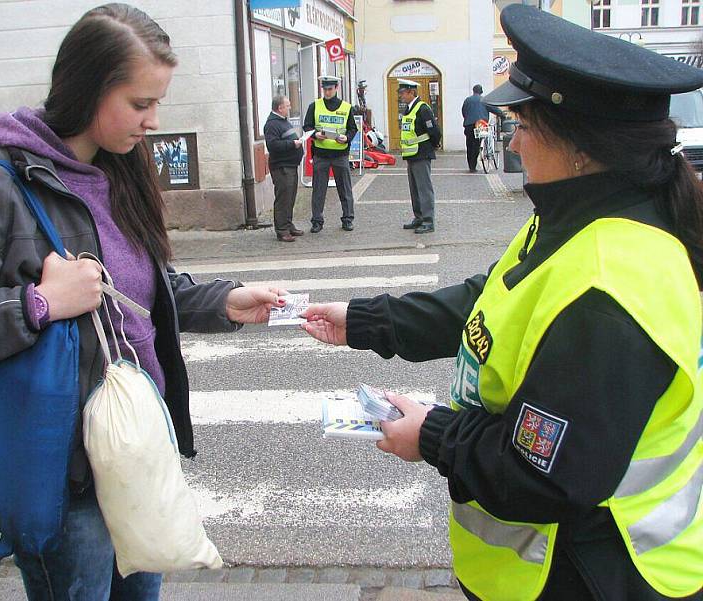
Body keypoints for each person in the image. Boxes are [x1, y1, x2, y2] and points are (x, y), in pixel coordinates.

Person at [301, 5, 703, 600]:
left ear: (578, 147)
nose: (511, 137)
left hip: (593, 573)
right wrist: (365, 320)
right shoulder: (569, 217)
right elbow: (483, 302)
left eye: (522, 122)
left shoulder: (608, 286)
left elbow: (545, 473)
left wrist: (431, 434)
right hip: (545, 567)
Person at [0, 4, 286, 600]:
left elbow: (131, 297)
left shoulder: (119, 173)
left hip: (131, 458)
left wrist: (224, 301)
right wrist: (37, 305)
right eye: (140, 104)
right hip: (62, 476)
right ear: (87, 90)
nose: (154, 121)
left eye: (158, 103)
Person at [303, 75, 358, 233]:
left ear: (336, 88)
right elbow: (307, 126)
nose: (327, 92)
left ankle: (348, 219)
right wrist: (315, 135)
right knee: (318, 190)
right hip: (321, 154)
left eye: (330, 89)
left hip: (340, 154)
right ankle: (317, 221)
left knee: (345, 189)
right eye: (324, 89)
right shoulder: (314, 106)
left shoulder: (347, 108)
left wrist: (346, 138)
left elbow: (353, 128)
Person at [397, 79, 441, 234]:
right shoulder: (409, 109)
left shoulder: (422, 109)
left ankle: (428, 220)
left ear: (411, 92)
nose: (400, 96)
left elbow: (434, 131)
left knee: (424, 188)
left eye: (402, 93)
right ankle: (419, 217)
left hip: (422, 153)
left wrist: (434, 145)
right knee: (415, 189)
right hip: (412, 154)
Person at [264, 95, 304, 242]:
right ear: (280, 108)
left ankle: (288, 225)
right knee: (283, 198)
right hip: (281, 167)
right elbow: (273, 145)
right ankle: (281, 230)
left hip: (290, 165)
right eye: (287, 106)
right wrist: (293, 144)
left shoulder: (282, 121)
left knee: (290, 197)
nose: (290, 108)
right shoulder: (272, 124)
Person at [462, 84, 505, 173]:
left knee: (469, 145)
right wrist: (502, 115)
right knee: (477, 144)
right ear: (481, 91)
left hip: (469, 125)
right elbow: (495, 109)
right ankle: (475, 163)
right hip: (481, 125)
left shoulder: (467, 100)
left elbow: (464, 111)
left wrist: (468, 119)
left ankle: (471, 166)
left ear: (473, 91)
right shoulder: (485, 100)